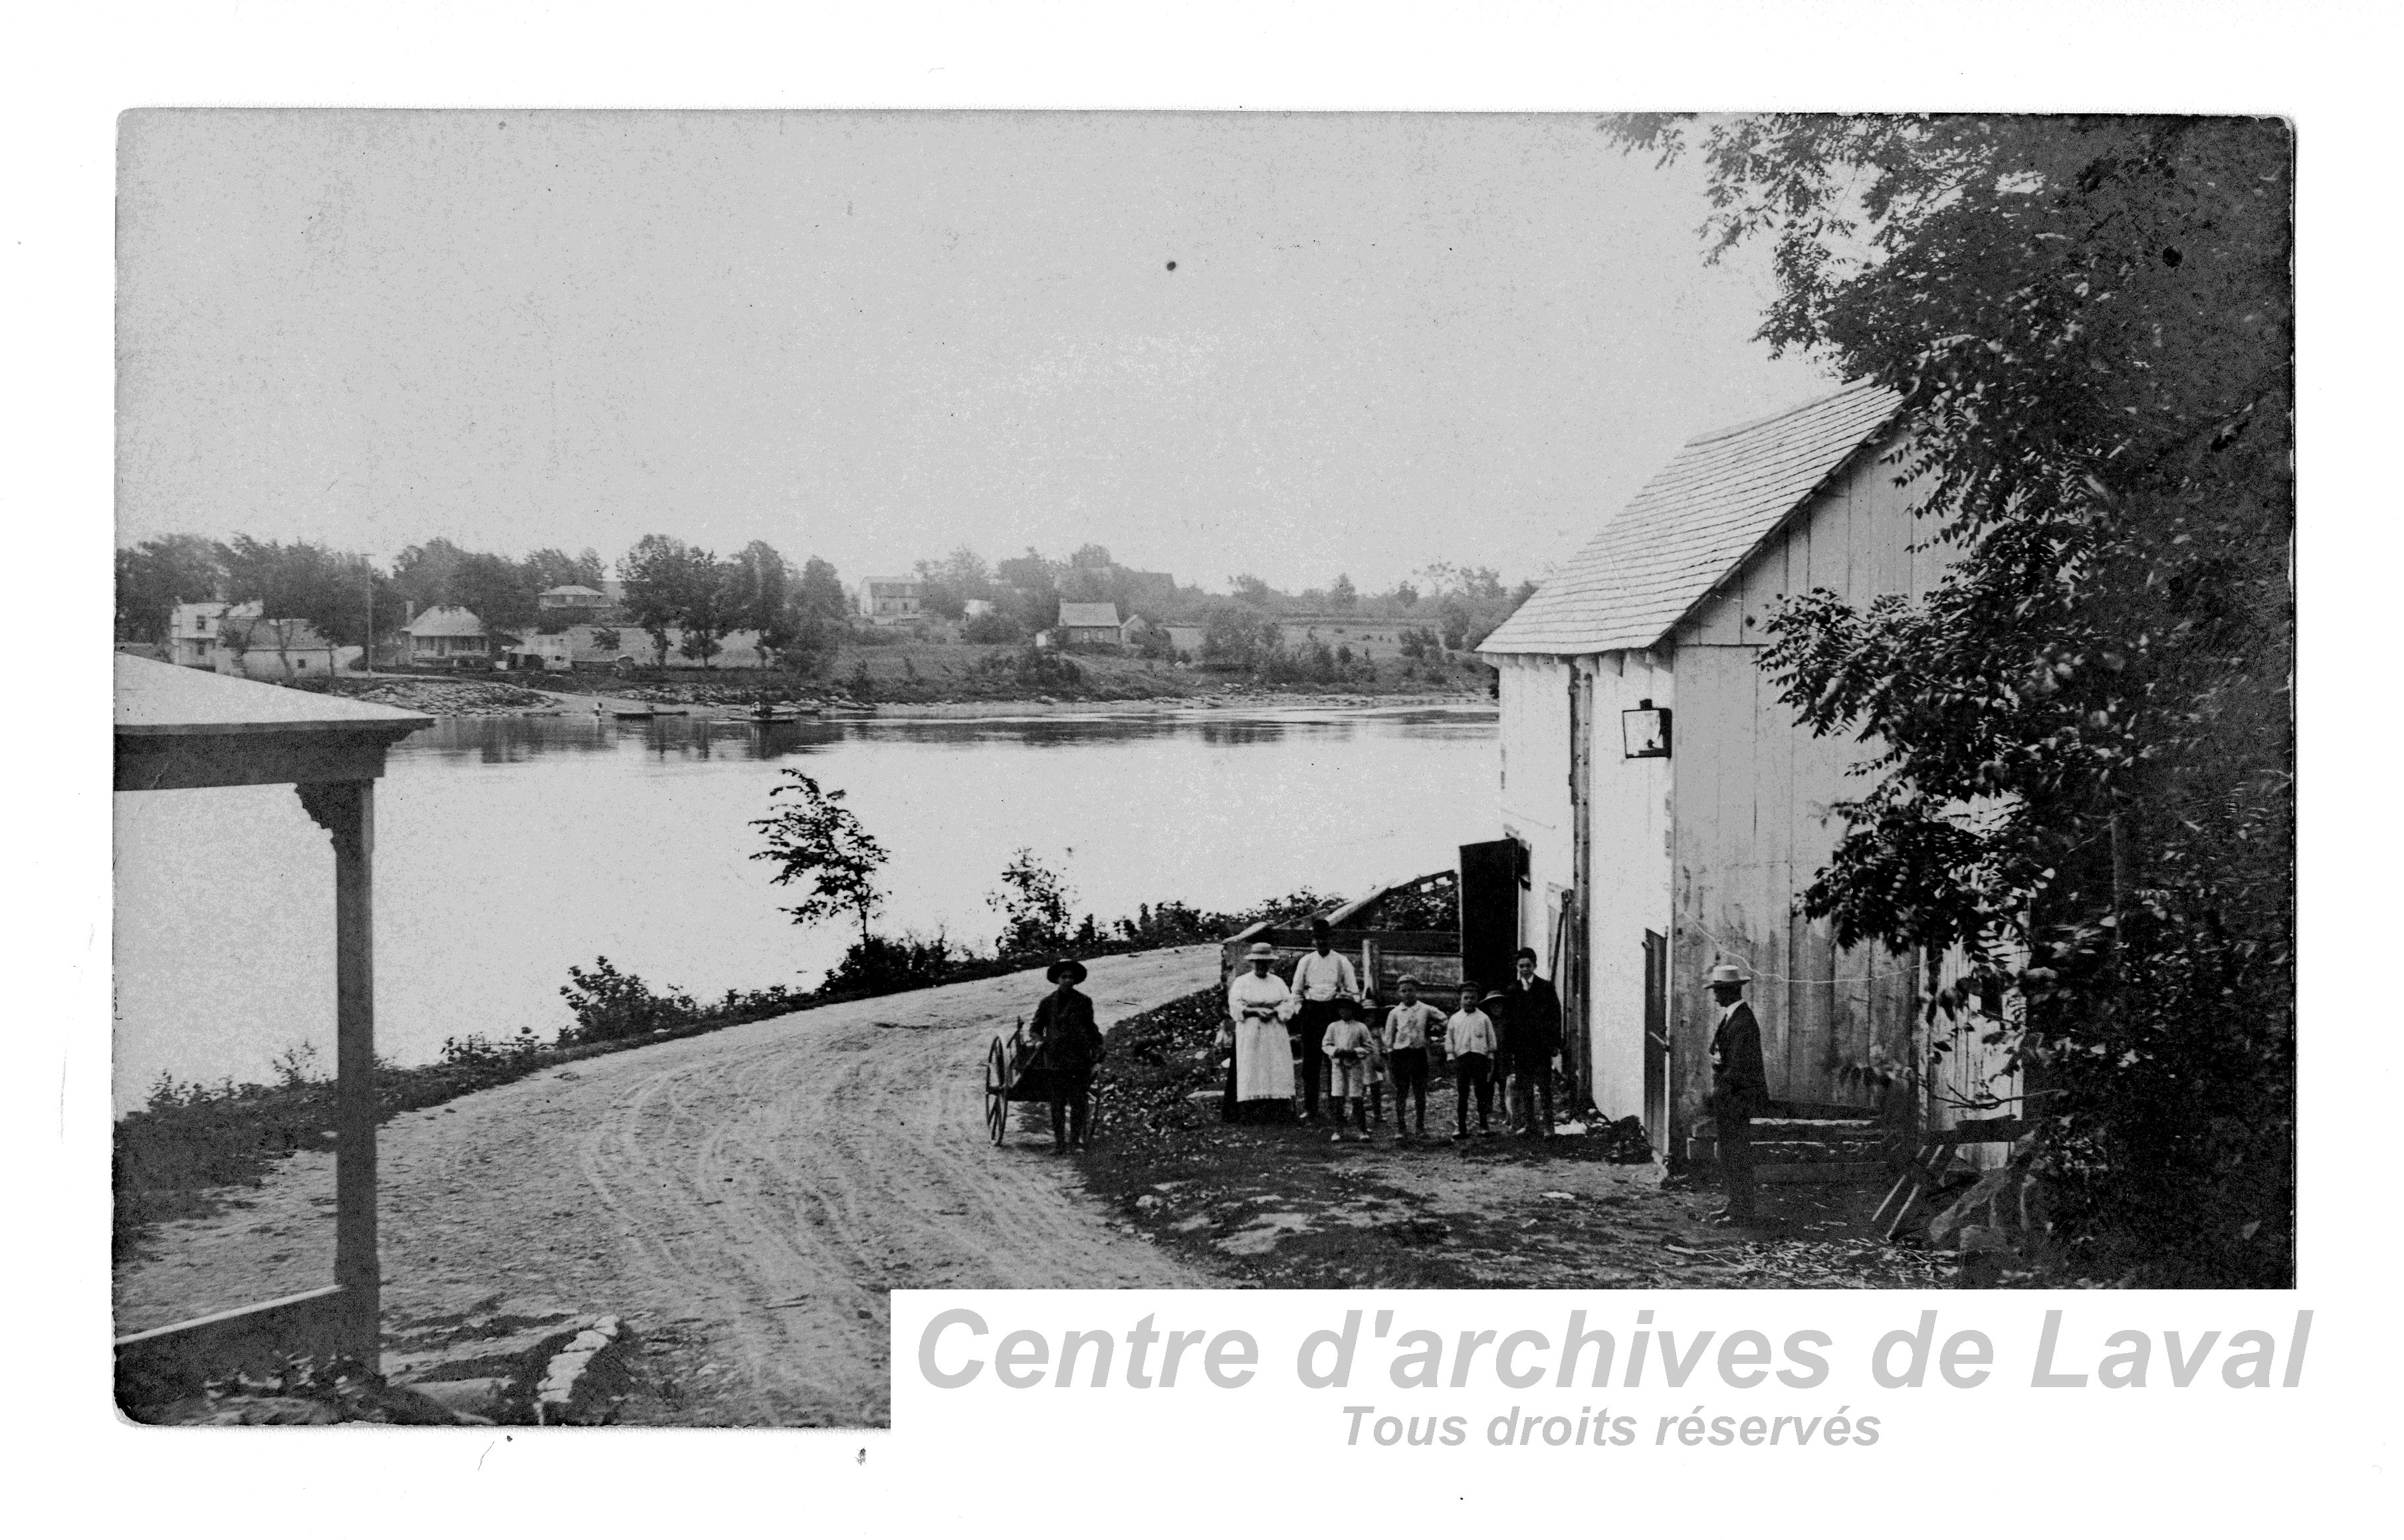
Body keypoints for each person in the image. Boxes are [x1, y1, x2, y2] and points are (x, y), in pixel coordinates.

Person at [1706, 960, 1772, 1224]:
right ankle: (1735, 1205)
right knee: (1729, 1154)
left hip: (1737, 1099)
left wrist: (1720, 1087)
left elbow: (1741, 1067)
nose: (1714, 996)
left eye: (1717, 990)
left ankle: (1742, 1212)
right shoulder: (1732, 1018)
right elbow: (1724, 1053)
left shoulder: (1743, 1021)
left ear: (1729, 991)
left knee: (1736, 1155)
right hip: (1730, 1098)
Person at [1029, 957, 1105, 1153]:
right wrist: (1038, 1040)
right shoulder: (1047, 1003)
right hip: (1054, 1062)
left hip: (1079, 1061)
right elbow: (1036, 1027)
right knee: (1057, 1105)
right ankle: (1059, 1144)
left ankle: (1074, 1143)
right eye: (1064, 977)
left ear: (1076, 980)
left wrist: (1098, 1051)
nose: (1068, 980)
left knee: (1079, 1103)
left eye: (1071, 977)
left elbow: (1090, 1028)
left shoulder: (1084, 1002)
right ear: (1057, 979)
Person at [1286, 919, 1359, 1122]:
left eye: (1325, 939)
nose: (1321, 943)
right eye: (1318, 939)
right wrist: (1301, 1010)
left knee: (1336, 1061)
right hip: (1311, 1013)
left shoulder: (1341, 961)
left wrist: (1345, 1010)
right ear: (1313, 941)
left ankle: (1337, 1108)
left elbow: (1354, 991)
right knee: (1311, 1063)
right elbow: (1296, 991)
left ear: (1330, 939)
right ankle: (1311, 1108)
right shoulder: (1306, 961)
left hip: (1333, 1013)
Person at [1224, 940, 1298, 1125]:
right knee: (1252, 1066)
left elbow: (1288, 1004)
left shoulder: (1278, 982)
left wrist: (1274, 1011)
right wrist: (1254, 1011)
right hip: (1250, 1030)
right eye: (1258, 962)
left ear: (1270, 963)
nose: (1261, 966)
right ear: (1252, 963)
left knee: (1275, 1065)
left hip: (1274, 1029)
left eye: (1265, 963)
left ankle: (1278, 1109)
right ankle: (1250, 1111)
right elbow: (1235, 1006)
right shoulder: (1242, 982)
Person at [1497, 947, 1565, 1140]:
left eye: (1528, 965)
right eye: (1521, 966)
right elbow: (1508, 1021)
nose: (1525, 969)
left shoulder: (1546, 987)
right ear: (1517, 968)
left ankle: (1549, 1127)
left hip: (1541, 1046)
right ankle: (1530, 1124)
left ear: (1534, 966)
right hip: (1521, 1048)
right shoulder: (1512, 990)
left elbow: (1555, 1016)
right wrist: (1509, 1047)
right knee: (1525, 1086)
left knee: (1544, 1086)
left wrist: (1554, 1043)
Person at [1382, 974, 1444, 1139]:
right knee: (1401, 1091)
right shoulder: (1395, 1013)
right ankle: (1401, 1128)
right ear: (1399, 993)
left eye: (1411, 990)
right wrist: (1390, 1055)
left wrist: (1434, 1029)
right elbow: (1388, 1037)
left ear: (1416, 991)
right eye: (1404, 991)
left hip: (1418, 1054)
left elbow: (1444, 1019)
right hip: (1400, 1055)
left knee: (1419, 1091)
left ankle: (1420, 1127)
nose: (1407, 994)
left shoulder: (1425, 1009)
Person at [1446, 984, 1499, 1140]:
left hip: (1479, 1058)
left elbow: (1491, 1039)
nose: (1469, 1001)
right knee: (1463, 1093)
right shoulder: (1455, 1019)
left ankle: (1484, 1125)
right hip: (1462, 1058)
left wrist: (1490, 1054)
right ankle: (1462, 1127)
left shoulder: (1483, 1018)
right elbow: (1450, 1038)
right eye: (1466, 998)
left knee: (1481, 1092)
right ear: (1461, 999)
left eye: (1473, 998)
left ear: (1478, 1000)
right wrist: (1450, 1055)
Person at [1320, 996, 1374, 1141]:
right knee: (1338, 1096)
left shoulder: (1360, 1027)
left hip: (1354, 1065)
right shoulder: (1333, 1027)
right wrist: (1336, 1051)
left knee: (1356, 1097)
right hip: (1338, 1066)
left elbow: (1369, 1046)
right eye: (1341, 1009)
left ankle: (1362, 1130)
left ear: (1354, 1010)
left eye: (1348, 1008)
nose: (1344, 1012)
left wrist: (1355, 1052)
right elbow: (1326, 1045)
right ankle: (1338, 1130)